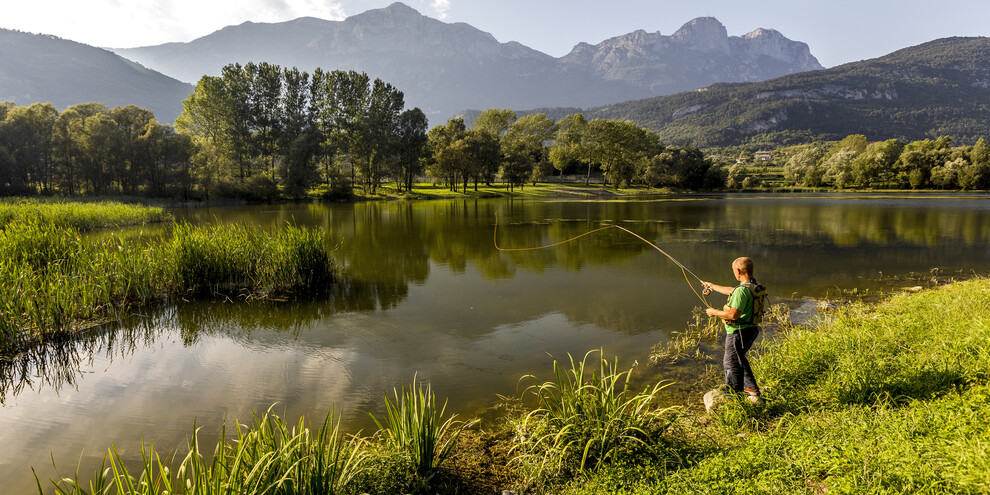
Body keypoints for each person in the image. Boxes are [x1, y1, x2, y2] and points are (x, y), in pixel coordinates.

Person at [701, 257, 762, 404]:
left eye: (734, 270)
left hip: (738, 332)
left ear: (738, 271)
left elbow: (733, 315)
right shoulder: (753, 285)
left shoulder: (742, 291)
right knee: (739, 358)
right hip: (751, 330)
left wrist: (714, 312)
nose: (734, 272)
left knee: (731, 362)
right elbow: (732, 291)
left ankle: (734, 394)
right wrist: (712, 286)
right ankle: (751, 387)